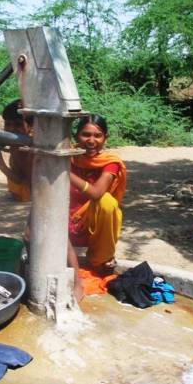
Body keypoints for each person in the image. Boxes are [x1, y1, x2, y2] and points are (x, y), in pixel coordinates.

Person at [69, 114, 127, 274]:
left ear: (105, 138)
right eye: (86, 134)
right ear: (77, 136)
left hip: (91, 225)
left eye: (97, 135)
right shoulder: (67, 156)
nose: (91, 140)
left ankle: (100, 258)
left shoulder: (110, 162)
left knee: (107, 202)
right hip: (64, 223)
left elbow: (96, 193)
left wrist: (63, 171)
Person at [0, 99, 33, 202]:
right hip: (18, 195)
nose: (11, 129)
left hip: (27, 196)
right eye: (8, 124)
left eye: (18, 125)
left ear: (30, 127)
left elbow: (26, 184)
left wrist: (2, 167)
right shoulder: (16, 144)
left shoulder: (29, 149)